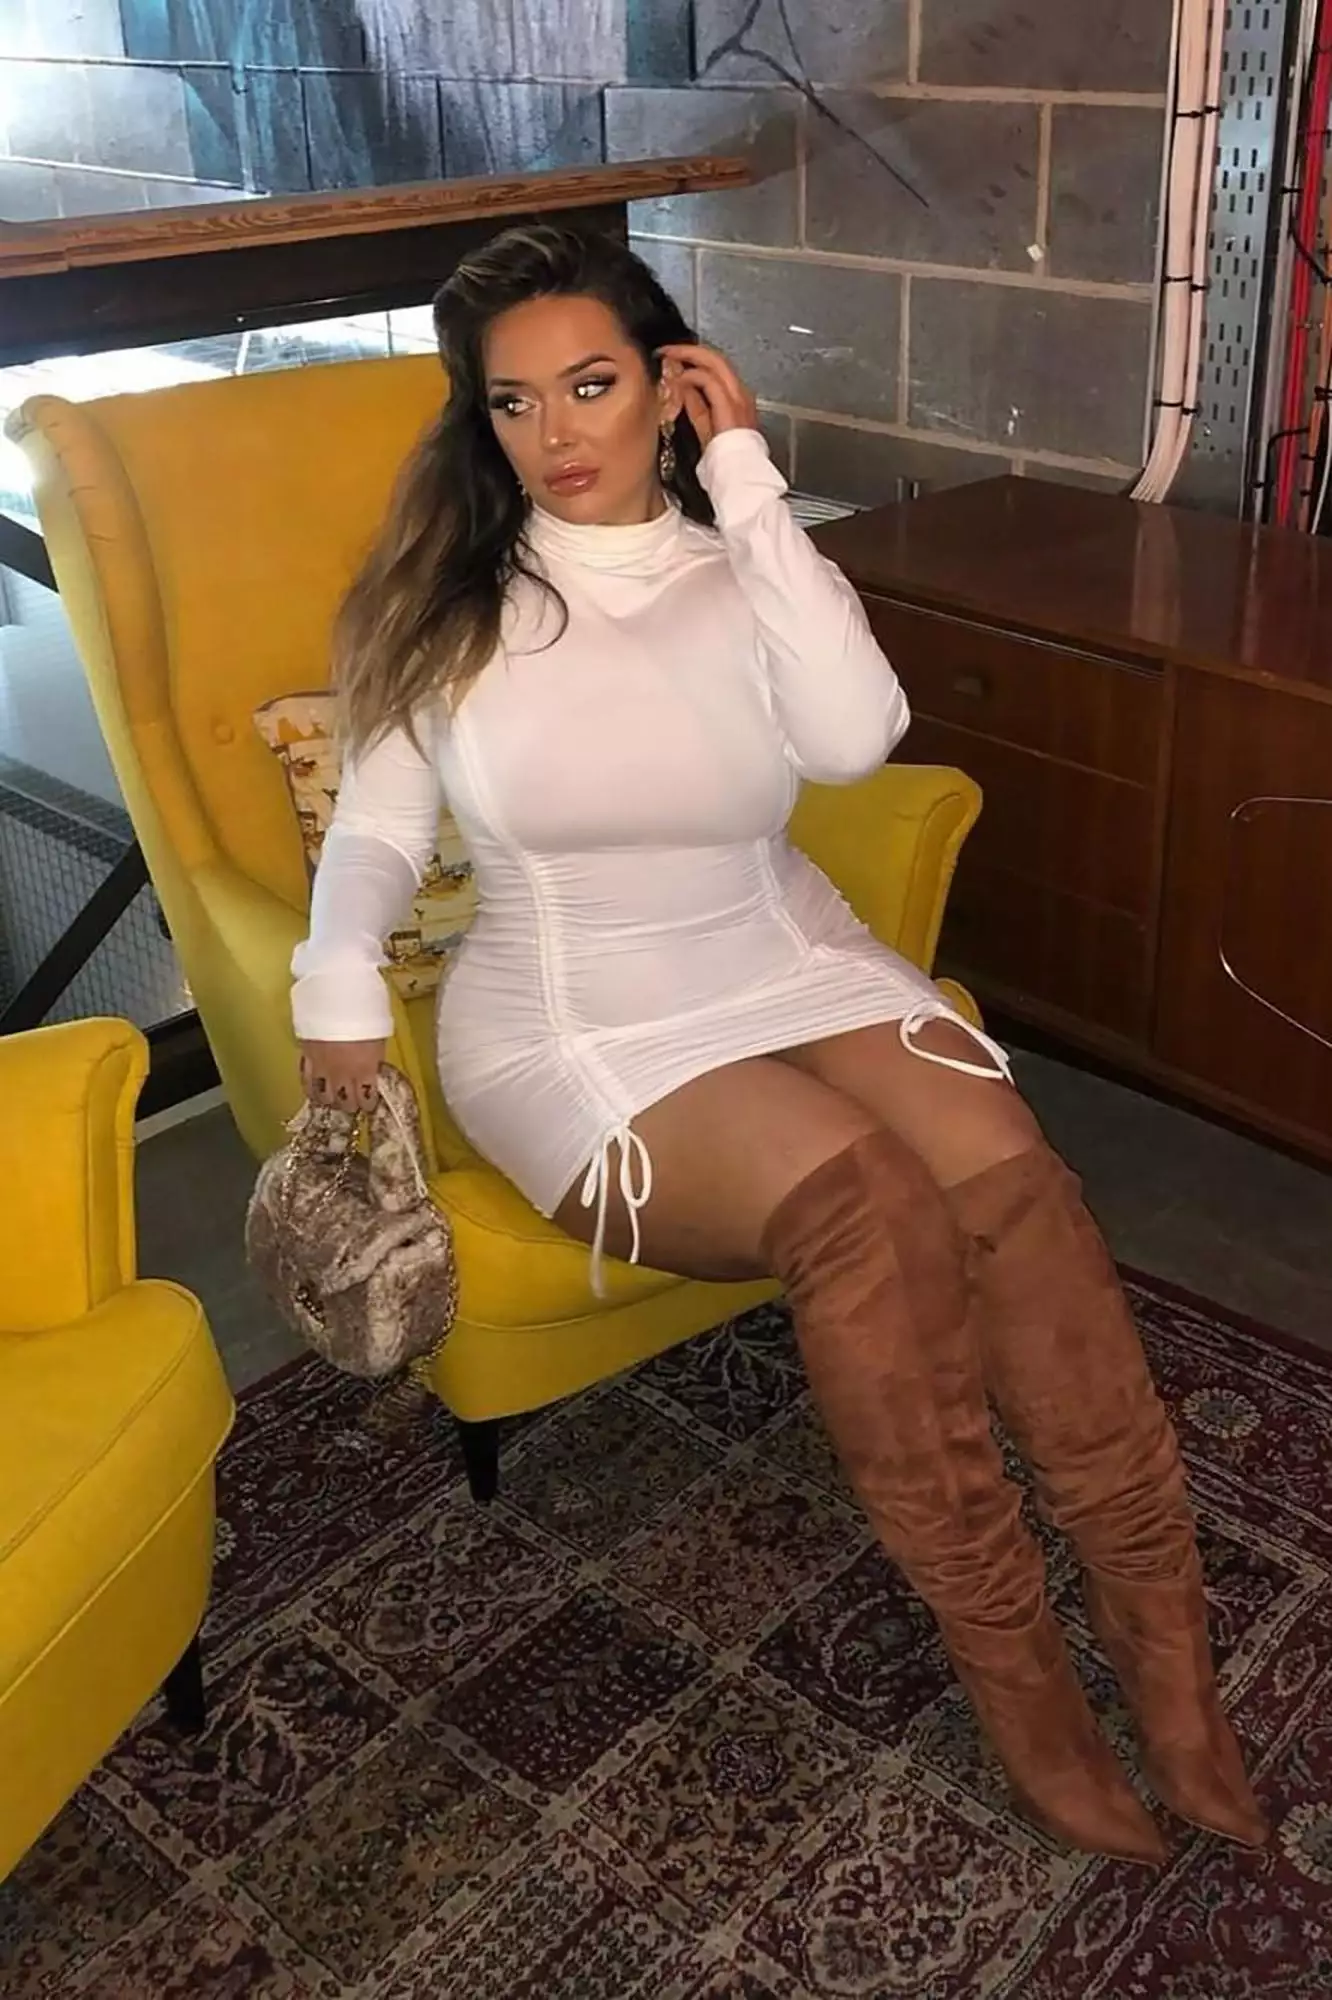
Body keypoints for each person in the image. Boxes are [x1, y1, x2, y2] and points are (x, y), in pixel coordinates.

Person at [291, 224, 1265, 1864]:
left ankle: (1164, 1650)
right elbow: (379, 835)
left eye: (592, 386)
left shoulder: (750, 563)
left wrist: (749, 488)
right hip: (578, 1024)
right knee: (864, 1202)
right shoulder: (448, 606)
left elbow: (854, 736)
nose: (557, 434)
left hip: (784, 955)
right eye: (515, 403)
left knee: (1013, 1184)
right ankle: (1021, 1679)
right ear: (481, 419)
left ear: (672, 386)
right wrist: (333, 986)